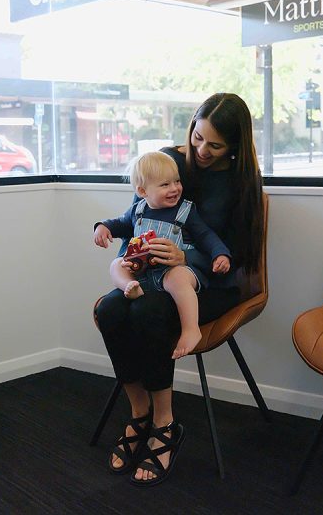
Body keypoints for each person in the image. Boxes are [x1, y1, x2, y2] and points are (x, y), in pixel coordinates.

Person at [94, 93, 264, 486]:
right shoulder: (166, 160)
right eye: (197, 137)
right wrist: (133, 261)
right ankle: (139, 413)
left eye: (215, 145)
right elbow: (135, 219)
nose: (201, 150)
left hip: (207, 283)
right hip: (152, 278)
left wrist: (185, 259)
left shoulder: (241, 182)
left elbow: (235, 255)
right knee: (111, 310)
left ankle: (165, 424)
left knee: (150, 311)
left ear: (235, 146)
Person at [94, 151, 232, 360]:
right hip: (142, 274)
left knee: (177, 278)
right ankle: (129, 287)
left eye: (176, 181)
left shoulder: (185, 211)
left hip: (173, 272)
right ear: (142, 191)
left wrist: (220, 254)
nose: (175, 188)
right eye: (165, 185)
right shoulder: (137, 210)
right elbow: (119, 223)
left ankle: (190, 329)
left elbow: (206, 235)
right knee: (116, 264)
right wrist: (103, 227)